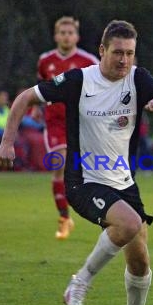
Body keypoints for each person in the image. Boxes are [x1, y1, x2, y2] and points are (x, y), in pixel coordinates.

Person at [0, 20, 153, 305]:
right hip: (84, 180)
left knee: (139, 260)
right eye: (117, 53)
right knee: (128, 224)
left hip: (124, 183)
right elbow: (25, 98)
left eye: (129, 53)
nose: (124, 60)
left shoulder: (138, 78)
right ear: (102, 50)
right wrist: (6, 141)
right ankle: (80, 281)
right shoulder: (78, 81)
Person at [37, 16, 100, 240]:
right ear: (56, 36)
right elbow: (41, 87)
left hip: (82, 123)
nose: (66, 36)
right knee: (59, 164)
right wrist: (36, 107)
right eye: (62, 33)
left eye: (70, 33)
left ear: (77, 36)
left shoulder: (88, 60)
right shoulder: (46, 61)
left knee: (86, 171)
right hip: (54, 123)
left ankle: (96, 209)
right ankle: (64, 218)